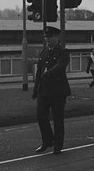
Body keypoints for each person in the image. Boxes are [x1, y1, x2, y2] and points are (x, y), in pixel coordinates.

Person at [32, 26, 71, 155]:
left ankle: (58, 145)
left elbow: (60, 66)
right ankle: (48, 141)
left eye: (50, 37)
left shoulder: (63, 52)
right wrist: (35, 89)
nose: (48, 40)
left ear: (57, 38)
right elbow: (39, 73)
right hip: (44, 91)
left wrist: (48, 73)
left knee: (58, 119)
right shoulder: (43, 53)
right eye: (46, 37)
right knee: (40, 116)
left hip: (58, 91)